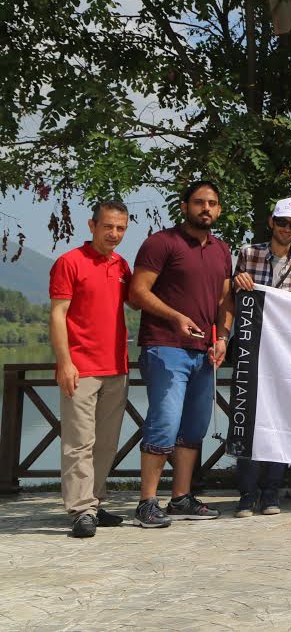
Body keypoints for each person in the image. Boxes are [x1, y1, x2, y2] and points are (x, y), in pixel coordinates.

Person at [130, 180, 233, 528]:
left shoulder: (222, 250)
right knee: (164, 423)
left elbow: (225, 300)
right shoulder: (161, 243)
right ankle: (146, 503)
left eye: (212, 203)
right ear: (185, 206)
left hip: (204, 352)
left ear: (219, 210)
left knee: (193, 428)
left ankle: (180, 498)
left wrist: (223, 338)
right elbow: (137, 293)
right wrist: (175, 317)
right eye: (199, 202)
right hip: (165, 346)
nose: (206, 208)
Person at [49, 200, 134, 538]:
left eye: (120, 228)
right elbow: (58, 314)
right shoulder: (69, 262)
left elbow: (140, 298)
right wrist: (64, 362)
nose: (114, 233)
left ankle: (94, 503)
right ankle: (81, 510)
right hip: (80, 367)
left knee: (106, 444)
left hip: (117, 367)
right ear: (92, 225)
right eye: (108, 226)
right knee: (79, 443)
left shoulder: (121, 265)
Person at [231, 197, 291, 518]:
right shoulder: (247, 254)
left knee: (281, 419)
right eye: (282, 222)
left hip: (283, 351)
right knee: (247, 418)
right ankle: (246, 493)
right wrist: (237, 282)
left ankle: (271, 492)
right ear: (271, 222)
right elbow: (231, 296)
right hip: (251, 348)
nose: (286, 229)